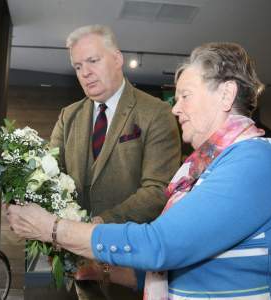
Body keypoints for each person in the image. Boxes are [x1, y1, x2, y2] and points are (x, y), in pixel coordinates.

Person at [6, 42, 271, 299]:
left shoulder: (258, 159)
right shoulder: (204, 169)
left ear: (226, 95)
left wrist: (53, 228)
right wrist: (103, 270)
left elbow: (162, 246)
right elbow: (181, 266)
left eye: (185, 96)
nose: (175, 108)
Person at [40, 24, 181, 299]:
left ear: (117, 59)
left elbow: (157, 190)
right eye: (78, 66)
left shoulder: (157, 113)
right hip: (77, 274)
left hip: (131, 269)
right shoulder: (68, 116)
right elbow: (49, 181)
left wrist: (96, 226)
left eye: (93, 61)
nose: (85, 73)